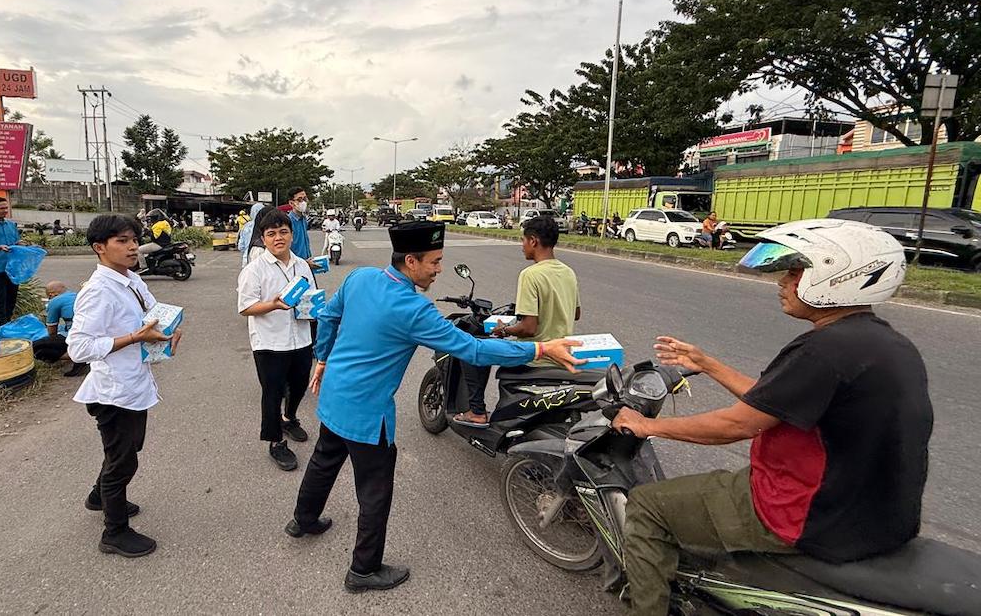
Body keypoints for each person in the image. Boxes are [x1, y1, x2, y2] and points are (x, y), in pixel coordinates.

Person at [611, 219, 931, 616]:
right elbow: (773, 403)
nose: (782, 281)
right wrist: (707, 364)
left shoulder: (823, 351)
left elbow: (736, 425)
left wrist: (646, 425)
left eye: (796, 272)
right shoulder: (886, 343)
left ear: (837, 277)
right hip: (877, 514)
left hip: (806, 512)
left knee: (647, 506)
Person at [288, 221, 582, 593]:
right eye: (435, 262)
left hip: (333, 397)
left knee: (323, 459)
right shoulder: (414, 309)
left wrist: (322, 358)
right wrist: (539, 348)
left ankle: (303, 520)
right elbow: (472, 349)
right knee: (375, 491)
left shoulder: (360, 278)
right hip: (367, 414)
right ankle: (364, 570)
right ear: (411, 261)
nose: (439, 269)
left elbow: (328, 315)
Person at [66, 214, 182, 558]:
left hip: (133, 383)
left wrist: (169, 332)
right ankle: (114, 533)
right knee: (123, 461)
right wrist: (134, 337)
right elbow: (79, 347)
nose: (132, 247)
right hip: (112, 392)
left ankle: (99, 496)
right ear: (99, 248)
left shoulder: (130, 279)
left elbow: (151, 316)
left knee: (128, 449)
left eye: (134, 239)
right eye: (122, 241)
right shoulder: (98, 292)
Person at [455, 216, 580, 426]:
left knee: (471, 350)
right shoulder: (568, 272)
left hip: (535, 355)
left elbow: (529, 328)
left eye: (523, 240)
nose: (521, 246)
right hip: (562, 351)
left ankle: (476, 412)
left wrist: (504, 330)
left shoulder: (531, 275)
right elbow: (575, 313)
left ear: (533, 241)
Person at [237, 208, 318, 471]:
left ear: (292, 235)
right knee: (272, 394)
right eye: (271, 233)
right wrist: (273, 305)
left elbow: (311, 298)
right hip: (270, 343)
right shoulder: (255, 270)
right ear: (263, 238)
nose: (278, 238)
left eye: (283, 232)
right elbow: (245, 307)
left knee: (298, 386)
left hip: (301, 339)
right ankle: (276, 442)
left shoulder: (302, 265)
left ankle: (290, 418)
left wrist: (317, 308)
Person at [33, 281, 87, 377]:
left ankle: (79, 356)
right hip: (89, 332)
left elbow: (52, 330)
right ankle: (81, 354)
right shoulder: (76, 295)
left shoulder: (54, 301)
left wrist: (52, 343)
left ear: (51, 294)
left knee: (36, 347)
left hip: (77, 334)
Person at [286, 187, 314, 267]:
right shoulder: (288, 222)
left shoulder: (303, 219)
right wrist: (303, 262)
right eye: (299, 199)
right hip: (295, 266)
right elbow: (286, 249)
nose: (303, 202)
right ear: (291, 203)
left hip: (307, 263)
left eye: (305, 199)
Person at [238, 202, 267, 268]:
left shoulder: (246, 226)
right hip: (262, 259)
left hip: (247, 259)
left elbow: (241, 246)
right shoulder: (266, 226)